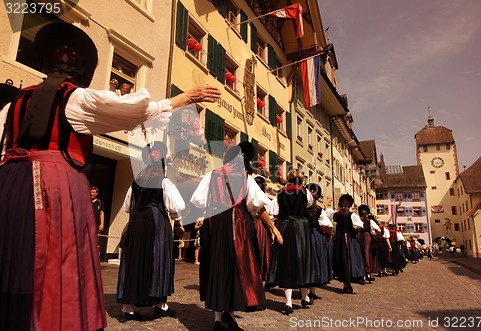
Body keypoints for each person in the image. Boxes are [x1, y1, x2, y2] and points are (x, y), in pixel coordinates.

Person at [0, 22, 220, 331]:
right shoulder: (76, 98)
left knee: (13, 258)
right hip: (56, 186)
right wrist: (185, 98)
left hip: (10, 186)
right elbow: (137, 110)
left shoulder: (14, 103)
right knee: (57, 261)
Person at [190, 142, 282, 331]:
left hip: (215, 223)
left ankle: (218, 318)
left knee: (217, 266)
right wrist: (273, 228)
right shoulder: (246, 178)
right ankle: (229, 315)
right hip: (237, 224)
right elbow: (257, 205)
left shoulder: (212, 175)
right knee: (237, 267)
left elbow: (199, 201)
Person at [117, 141, 185, 320]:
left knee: (134, 262)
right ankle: (160, 305)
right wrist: (179, 224)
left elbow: (127, 207)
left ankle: (127, 309)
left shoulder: (136, 182)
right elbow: (176, 207)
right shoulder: (164, 182)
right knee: (158, 262)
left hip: (137, 225)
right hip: (156, 226)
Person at [267, 168, 316, 315]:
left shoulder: (280, 192)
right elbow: (309, 204)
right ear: (301, 179)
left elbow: (273, 212)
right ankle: (304, 297)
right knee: (302, 261)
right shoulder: (305, 191)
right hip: (301, 228)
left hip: (285, 227)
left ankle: (288, 302)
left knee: (288, 261)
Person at [305, 183, 333, 299]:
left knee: (306, 263)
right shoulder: (319, 210)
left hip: (304, 235)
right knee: (316, 262)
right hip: (315, 236)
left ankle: (306, 291)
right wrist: (329, 235)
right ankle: (312, 291)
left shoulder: (300, 208)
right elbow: (327, 225)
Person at [332, 194, 365, 294]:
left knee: (342, 259)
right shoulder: (353, 215)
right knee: (351, 258)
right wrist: (354, 232)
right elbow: (359, 227)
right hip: (350, 239)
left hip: (338, 239)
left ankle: (346, 283)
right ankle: (350, 281)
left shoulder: (335, 214)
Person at [253, 175, 274, 282]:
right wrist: (272, 230)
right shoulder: (266, 199)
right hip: (262, 225)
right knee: (262, 250)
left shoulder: (251, 195)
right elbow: (269, 216)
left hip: (251, 223)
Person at [357, 205, 379, 283]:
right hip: (367, 237)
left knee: (360, 254)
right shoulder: (370, 221)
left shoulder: (358, 220)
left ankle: (362, 274)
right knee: (368, 254)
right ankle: (369, 273)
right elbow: (378, 230)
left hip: (359, 237)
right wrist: (374, 234)